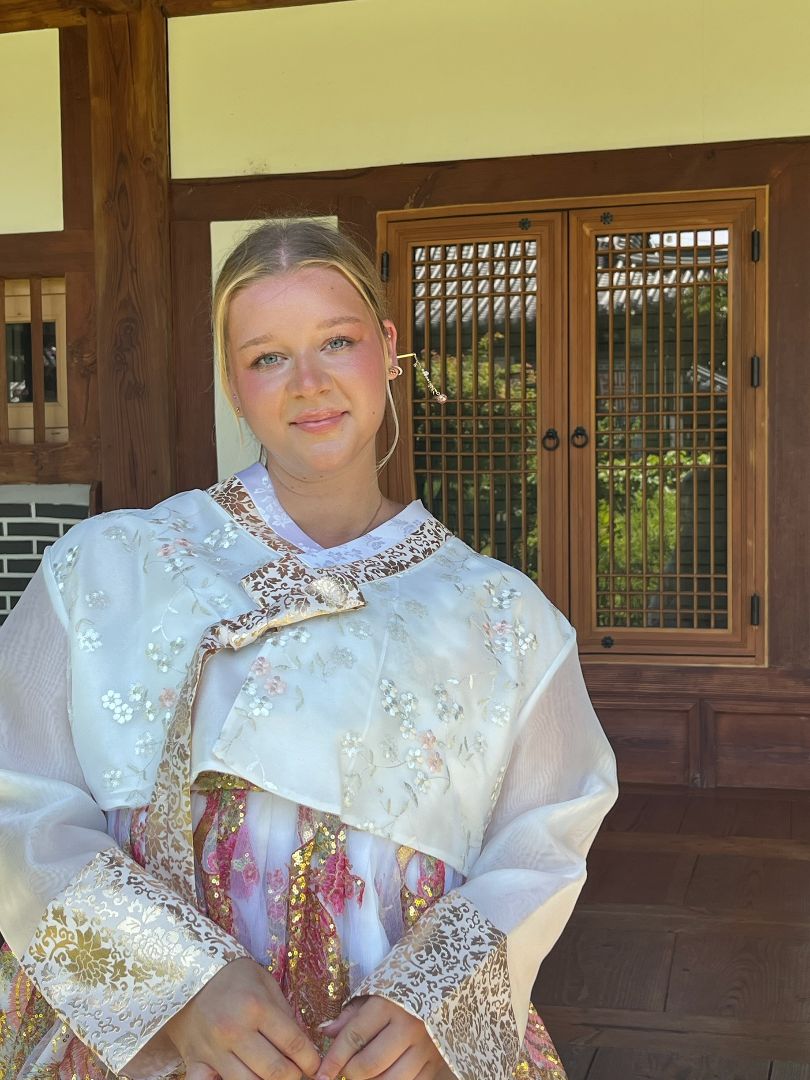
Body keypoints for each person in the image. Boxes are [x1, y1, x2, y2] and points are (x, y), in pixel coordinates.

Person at [0, 220, 617, 1080]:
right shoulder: (106, 567)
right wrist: (173, 985)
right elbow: (16, 801)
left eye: (338, 340)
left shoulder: (504, 617)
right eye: (267, 357)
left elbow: (542, 841)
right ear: (231, 382)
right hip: (151, 1048)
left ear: (389, 348)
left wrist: (438, 1003)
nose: (310, 383)